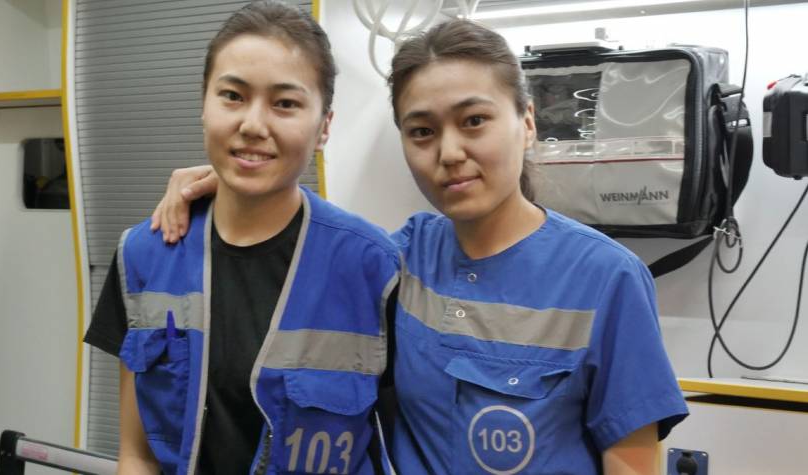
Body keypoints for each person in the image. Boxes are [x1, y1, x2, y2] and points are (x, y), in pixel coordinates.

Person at [152, 19, 689, 475]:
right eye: (422, 132)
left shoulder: (605, 278)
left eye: (474, 121)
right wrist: (237, 182)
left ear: (527, 123)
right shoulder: (400, 260)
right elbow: (302, 238)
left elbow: (631, 461)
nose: (449, 152)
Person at [83, 2, 399, 474]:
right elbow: (137, 454)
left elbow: (402, 447)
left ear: (324, 127)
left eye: (285, 103)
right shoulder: (143, 256)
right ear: (203, 105)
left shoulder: (374, 267)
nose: (252, 125)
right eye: (232, 95)